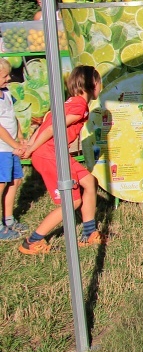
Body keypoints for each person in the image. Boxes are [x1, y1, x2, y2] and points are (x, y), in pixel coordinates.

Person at [18, 66, 106, 255]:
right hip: (49, 155)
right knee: (72, 202)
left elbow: (46, 123)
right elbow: (53, 128)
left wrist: (30, 145)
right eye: (100, 82)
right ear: (93, 84)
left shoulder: (69, 102)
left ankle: (89, 233)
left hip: (53, 153)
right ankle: (32, 241)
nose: (101, 86)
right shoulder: (79, 106)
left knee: (89, 181)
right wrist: (31, 148)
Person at [0, 59, 27, 241]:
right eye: (4, 76)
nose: (8, 78)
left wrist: (20, 136)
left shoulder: (7, 94)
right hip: (2, 149)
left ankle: (9, 219)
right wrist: (15, 145)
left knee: (15, 180)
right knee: (1, 184)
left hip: (10, 148)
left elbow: (13, 117)